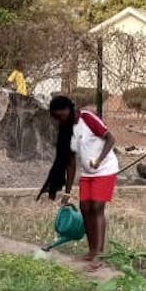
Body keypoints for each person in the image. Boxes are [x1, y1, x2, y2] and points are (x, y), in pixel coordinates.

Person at [41, 96, 118, 266]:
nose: (59, 120)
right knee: (85, 208)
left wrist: (99, 159)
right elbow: (70, 163)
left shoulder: (87, 118)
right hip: (88, 174)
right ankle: (91, 251)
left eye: (60, 116)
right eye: (56, 118)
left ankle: (100, 255)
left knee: (97, 207)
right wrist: (68, 191)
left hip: (105, 169)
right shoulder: (66, 130)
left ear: (69, 109)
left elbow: (111, 138)